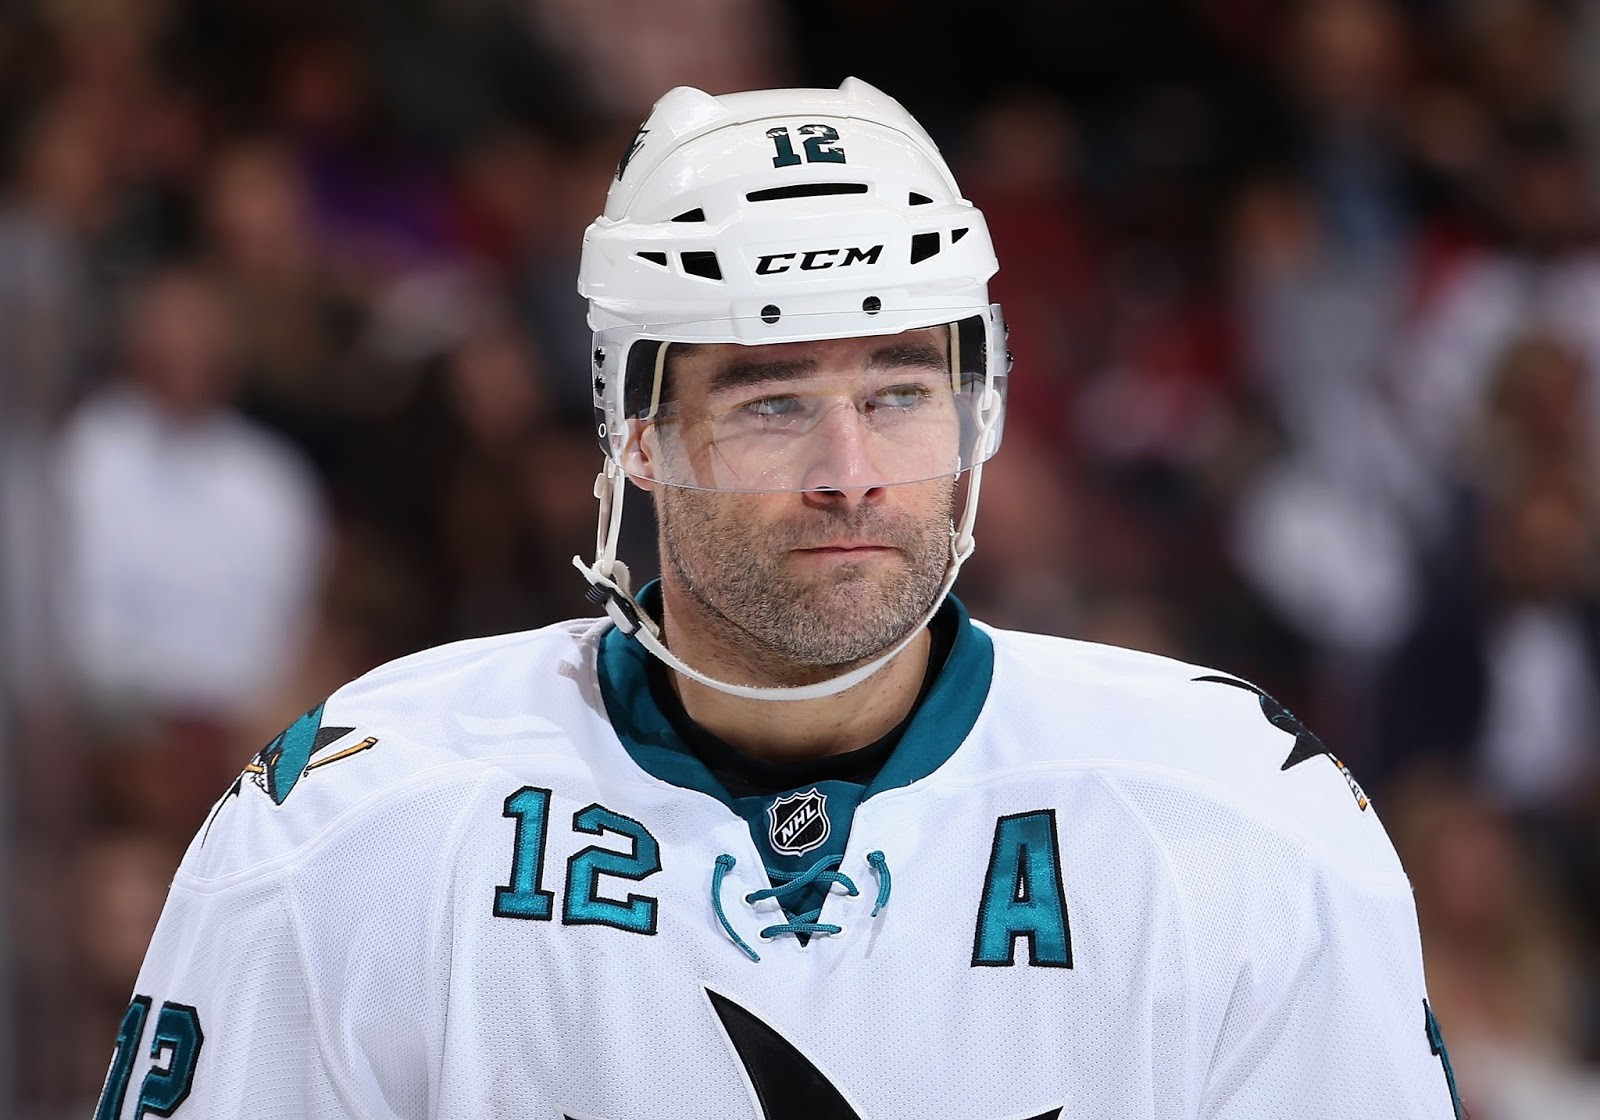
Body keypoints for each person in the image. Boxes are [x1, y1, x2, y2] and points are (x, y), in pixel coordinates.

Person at [98, 79, 1463, 1119]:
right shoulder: (354, 824)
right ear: (637, 431)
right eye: (771, 400)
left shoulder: (1239, 822)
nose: (849, 471)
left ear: (979, 410)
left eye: (900, 390)